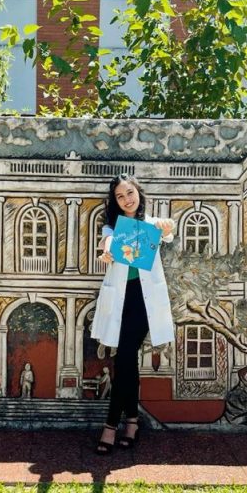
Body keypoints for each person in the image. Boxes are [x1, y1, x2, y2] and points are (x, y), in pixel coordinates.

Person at [90, 174, 175, 454]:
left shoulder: (151, 224)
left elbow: (169, 230)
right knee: (128, 362)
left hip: (143, 301)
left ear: (139, 192)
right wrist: (107, 253)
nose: (127, 199)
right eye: (120, 196)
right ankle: (132, 421)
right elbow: (108, 244)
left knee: (124, 358)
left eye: (130, 192)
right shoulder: (112, 228)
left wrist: (165, 226)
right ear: (115, 202)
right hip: (121, 300)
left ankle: (110, 426)